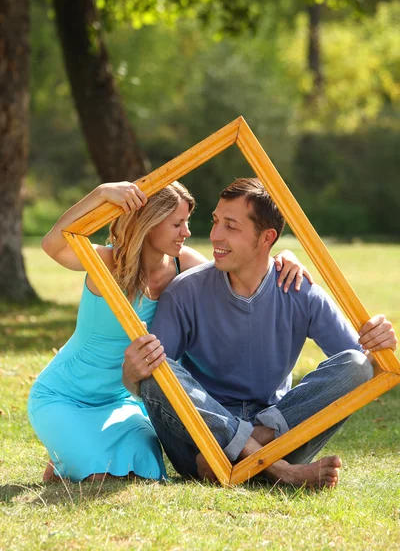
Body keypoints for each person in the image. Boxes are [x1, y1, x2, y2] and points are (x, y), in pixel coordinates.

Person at [122, 178, 398, 488]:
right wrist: (133, 374)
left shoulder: (300, 291)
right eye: (215, 222)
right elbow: (155, 384)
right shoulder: (184, 292)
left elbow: (362, 371)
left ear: (266, 237)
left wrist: (380, 345)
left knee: (357, 365)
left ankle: (242, 455)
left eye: (231, 226)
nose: (215, 236)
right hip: (201, 438)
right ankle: (280, 471)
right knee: (158, 365)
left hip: (276, 432)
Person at [28, 180, 310, 483]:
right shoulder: (107, 262)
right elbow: (52, 245)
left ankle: (68, 460)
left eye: (186, 222)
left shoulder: (182, 263)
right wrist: (100, 194)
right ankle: (68, 457)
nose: (186, 232)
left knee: (144, 472)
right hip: (64, 395)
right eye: (177, 223)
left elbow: (240, 272)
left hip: (123, 400)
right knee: (100, 476)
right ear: (150, 223)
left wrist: (284, 257)